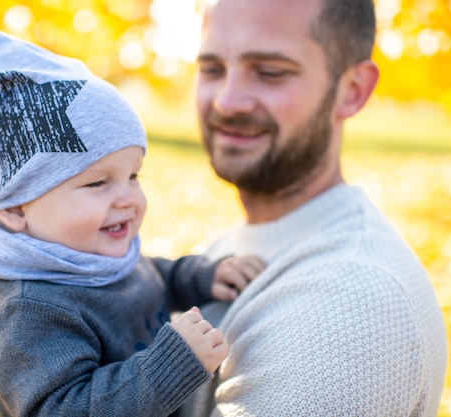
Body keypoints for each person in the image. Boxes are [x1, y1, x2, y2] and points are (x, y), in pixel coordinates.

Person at [0, 30, 265, 417]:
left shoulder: (89, 255)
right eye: (97, 182)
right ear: (14, 210)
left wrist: (199, 277)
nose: (128, 197)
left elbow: (145, 275)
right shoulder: (29, 313)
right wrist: (164, 370)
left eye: (133, 176)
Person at [179, 0, 448, 416]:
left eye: (270, 72)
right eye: (212, 69)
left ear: (352, 90)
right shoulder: (225, 249)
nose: (227, 101)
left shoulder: (352, 302)